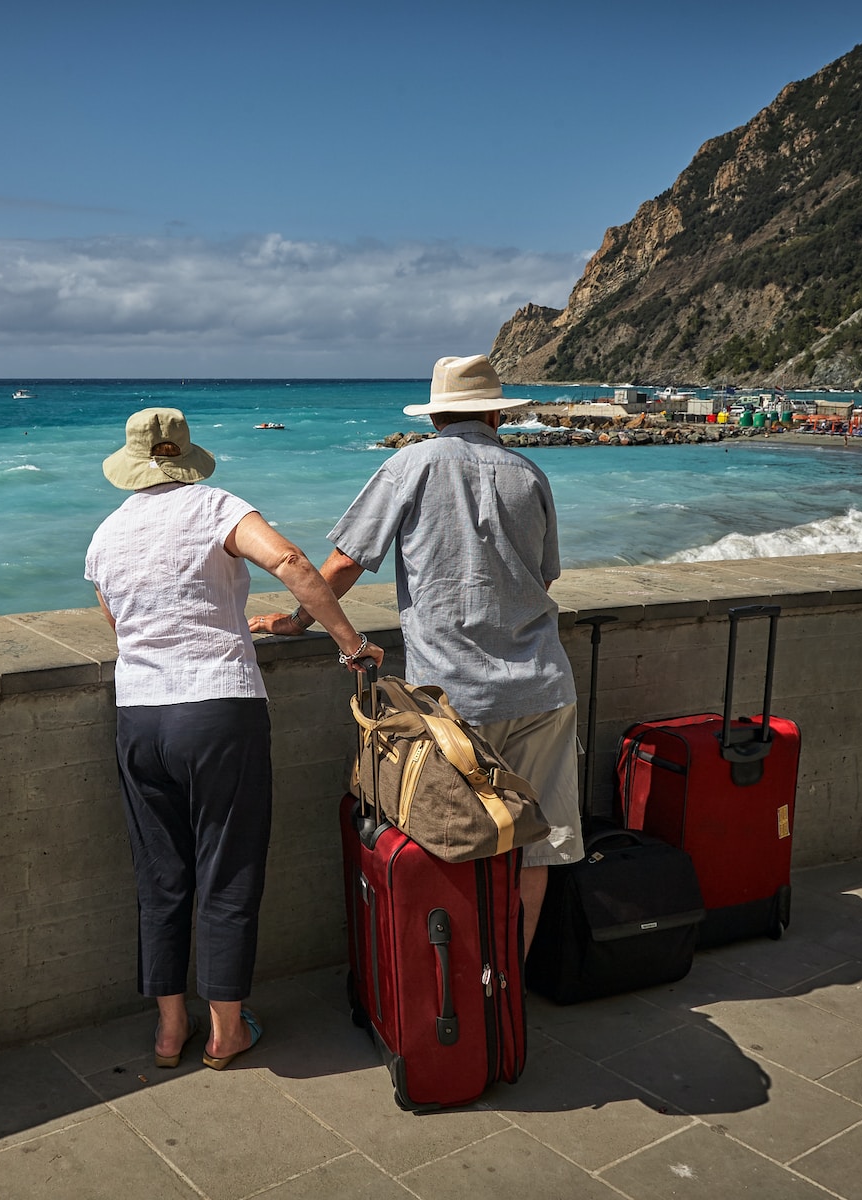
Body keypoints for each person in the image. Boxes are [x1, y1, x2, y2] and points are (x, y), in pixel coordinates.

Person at [251, 355, 579, 957]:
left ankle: (460, 993)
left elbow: (347, 560)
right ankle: (509, 989)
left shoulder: (412, 464)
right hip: (542, 687)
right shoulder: (529, 473)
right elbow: (544, 579)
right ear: (495, 413)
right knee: (540, 847)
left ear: (436, 416)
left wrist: (298, 620)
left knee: (453, 841)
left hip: (452, 699)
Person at [86, 407, 382, 1072]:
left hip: (140, 715)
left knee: (160, 874)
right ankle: (225, 1030)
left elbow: (118, 620)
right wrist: (350, 643)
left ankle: (168, 1030)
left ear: (131, 464)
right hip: (217, 708)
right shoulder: (216, 506)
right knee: (227, 867)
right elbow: (291, 560)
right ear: (185, 457)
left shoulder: (106, 535)